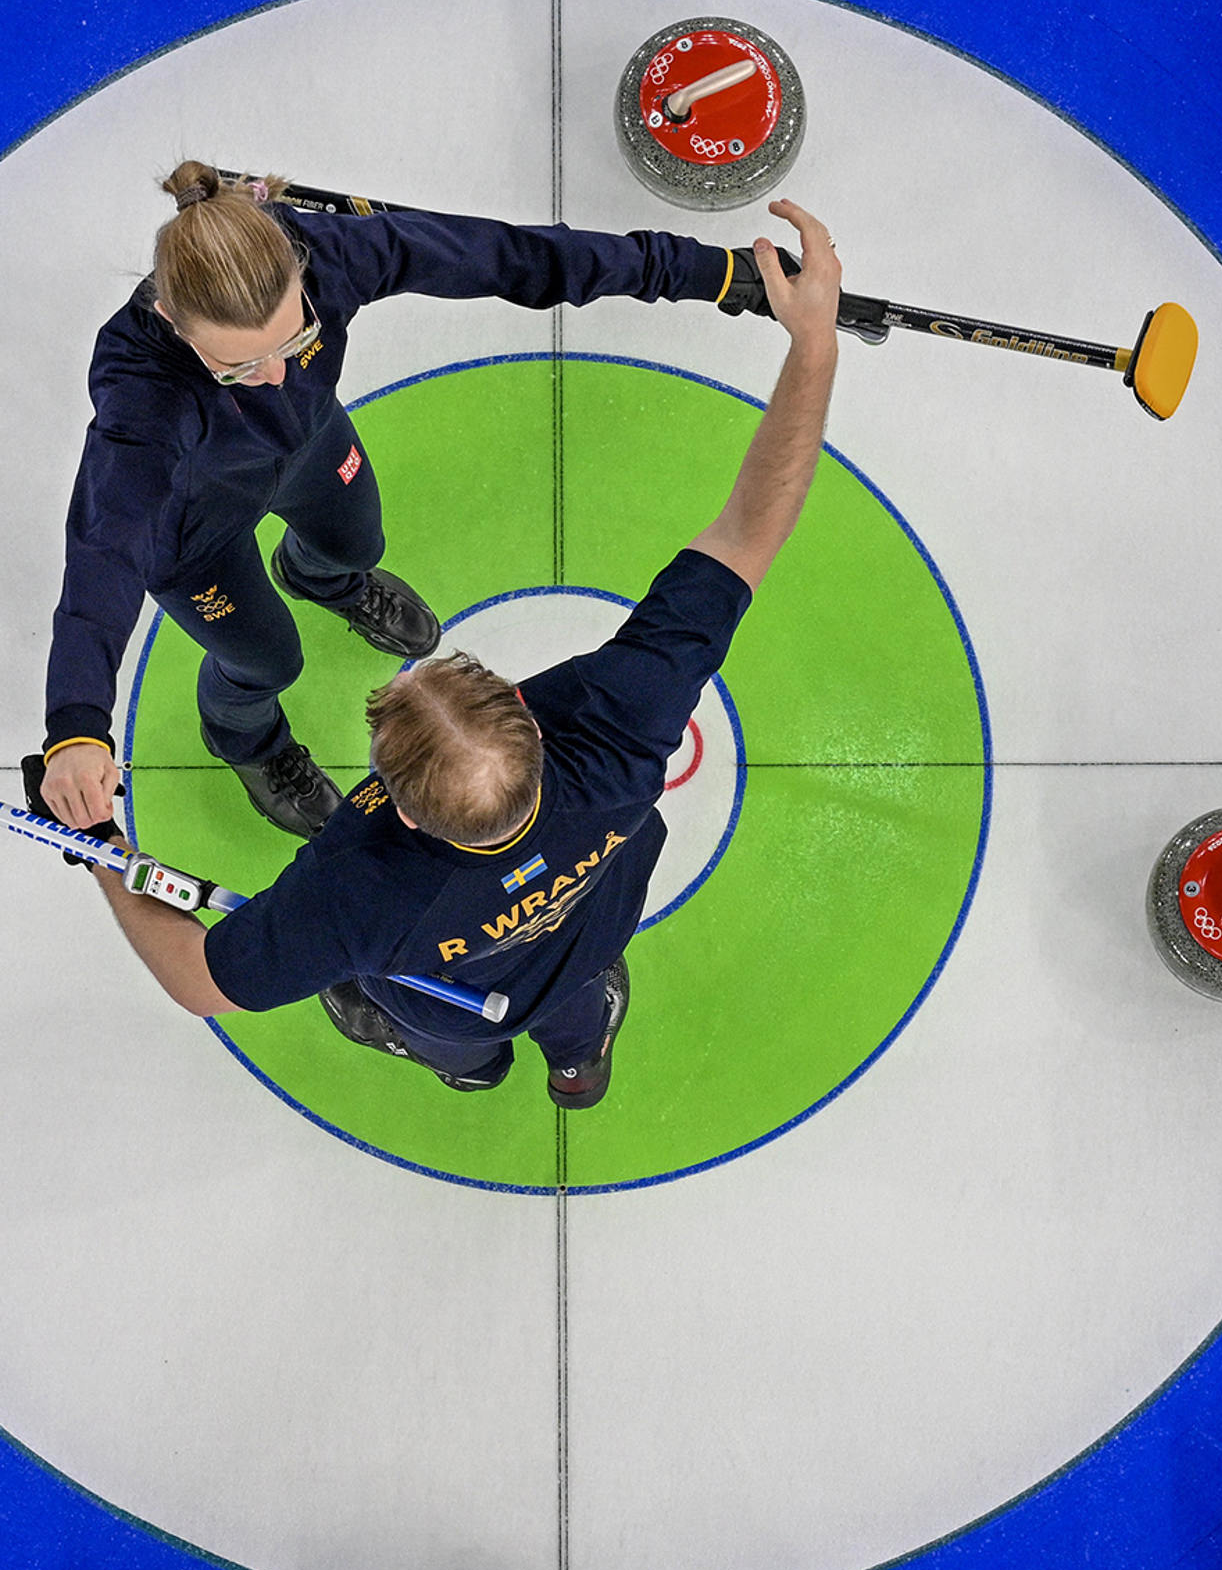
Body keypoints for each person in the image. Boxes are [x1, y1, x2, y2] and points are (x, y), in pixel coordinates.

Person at [76, 202, 841, 1109]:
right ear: (523, 717)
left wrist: (105, 855)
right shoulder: (619, 730)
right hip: (589, 931)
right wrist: (815, 349)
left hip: (458, 1001)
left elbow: (201, 981)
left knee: (457, 1039)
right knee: (577, 1007)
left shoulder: (355, 894)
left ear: (396, 809)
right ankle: (580, 1060)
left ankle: (464, 1068)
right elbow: (750, 533)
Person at [41, 162, 780, 842]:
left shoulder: (333, 253)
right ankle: (249, 742)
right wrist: (77, 728)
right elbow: (106, 545)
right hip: (191, 531)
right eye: (236, 367)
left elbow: (515, 256)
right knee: (267, 660)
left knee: (356, 545)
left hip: (306, 448)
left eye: (292, 339)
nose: (272, 376)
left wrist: (711, 274)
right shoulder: (143, 388)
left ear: (301, 271)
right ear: (172, 319)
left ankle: (321, 580)